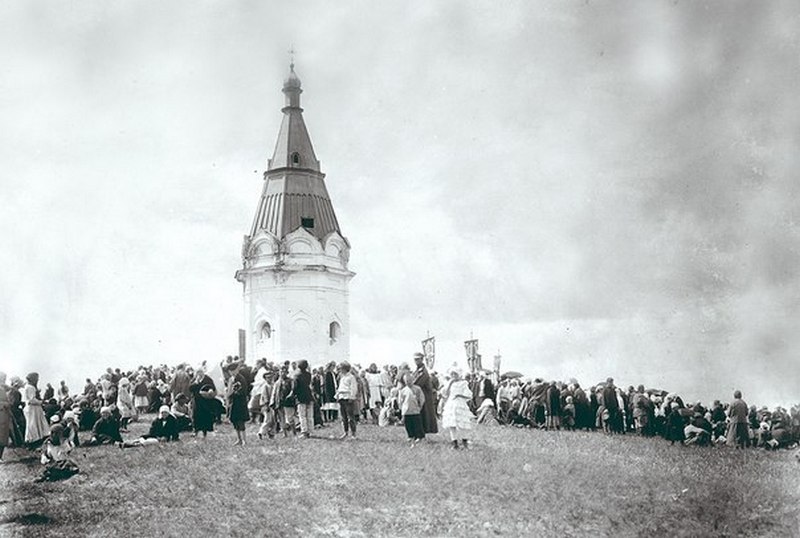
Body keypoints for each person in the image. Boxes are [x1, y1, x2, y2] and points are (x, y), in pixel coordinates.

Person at [441, 369, 474, 449]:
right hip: (451, 404)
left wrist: (459, 395)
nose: (453, 376)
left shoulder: (463, 383)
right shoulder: (450, 383)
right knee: (451, 424)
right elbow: (445, 393)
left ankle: (465, 442)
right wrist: (449, 384)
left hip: (460, 404)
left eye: (455, 374)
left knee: (462, 423)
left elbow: (469, 395)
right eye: (452, 374)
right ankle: (454, 443)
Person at [411, 353, 438, 434]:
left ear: (422, 359)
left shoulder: (423, 371)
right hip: (420, 394)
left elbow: (417, 383)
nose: (416, 361)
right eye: (415, 359)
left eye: (417, 359)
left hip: (424, 395)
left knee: (425, 414)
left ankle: (423, 432)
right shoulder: (417, 370)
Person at [226, 361, 249, 446]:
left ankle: (244, 440)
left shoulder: (241, 379)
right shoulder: (230, 379)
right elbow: (229, 390)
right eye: (230, 371)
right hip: (232, 403)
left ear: (237, 370)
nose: (232, 372)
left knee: (240, 422)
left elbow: (242, 391)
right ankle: (239, 439)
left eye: (233, 370)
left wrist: (232, 394)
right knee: (234, 421)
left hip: (240, 403)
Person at [22, 373, 49, 447]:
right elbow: (32, 400)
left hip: (32, 408)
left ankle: (34, 439)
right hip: (33, 408)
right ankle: (33, 440)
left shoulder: (27, 387)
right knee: (33, 424)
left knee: (33, 424)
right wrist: (41, 402)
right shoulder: (31, 387)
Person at [398, 373, 425, 445]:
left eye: (410, 380)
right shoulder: (403, 390)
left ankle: (419, 436)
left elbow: (421, 398)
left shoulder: (417, 389)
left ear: (413, 380)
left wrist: (420, 406)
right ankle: (410, 436)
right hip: (406, 410)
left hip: (415, 410)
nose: (408, 382)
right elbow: (400, 401)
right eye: (406, 381)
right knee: (408, 424)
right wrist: (401, 409)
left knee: (417, 424)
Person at [189, 368, 217, 438]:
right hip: (196, 402)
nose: (199, 374)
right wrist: (196, 382)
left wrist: (210, 391)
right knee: (196, 416)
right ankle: (197, 431)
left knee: (206, 416)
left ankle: (207, 432)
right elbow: (190, 388)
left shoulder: (208, 379)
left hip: (206, 402)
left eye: (200, 372)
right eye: (198, 372)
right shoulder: (194, 380)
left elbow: (212, 388)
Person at [334, 362, 359, 439]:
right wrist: (337, 395)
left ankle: (353, 433)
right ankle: (346, 432)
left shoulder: (351, 377)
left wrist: (352, 397)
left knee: (350, 417)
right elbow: (340, 387)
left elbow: (353, 388)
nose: (340, 370)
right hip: (341, 397)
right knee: (343, 416)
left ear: (345, 369)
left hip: (348, 397)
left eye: (341, 368)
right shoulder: (342, 377)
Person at [294, 360, 315, 438]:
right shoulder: (309, 374)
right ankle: (311, 431)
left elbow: (295, 387)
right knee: (310, 415)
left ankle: (304, 432)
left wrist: (293, 394)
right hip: (309, 395)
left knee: (302, 416)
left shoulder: (297, 375)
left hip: (300, 397)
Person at [0, 372, 10, 462]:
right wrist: (4, 404)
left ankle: (0, 456)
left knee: (3, 436)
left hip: (4, 415)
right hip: (2, 413)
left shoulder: (3, 389)